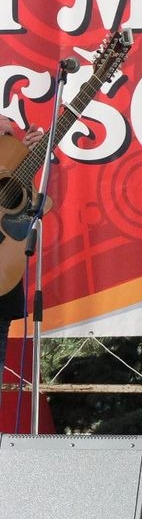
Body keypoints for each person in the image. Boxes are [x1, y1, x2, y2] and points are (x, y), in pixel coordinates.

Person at [0, 116, 45, 399]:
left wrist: (32, 157)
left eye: (9, 135)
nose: (8, 140)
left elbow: (24, 224)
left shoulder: (18, 182)